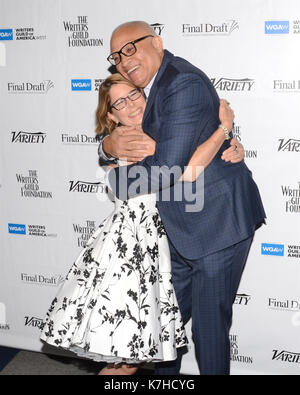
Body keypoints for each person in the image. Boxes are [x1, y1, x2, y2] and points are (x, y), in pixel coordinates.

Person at [40, 72, 239, 376]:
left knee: (132, 351)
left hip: (150, 245)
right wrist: (223, 129)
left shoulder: (153, 129)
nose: (131, 105)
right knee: (125, 358)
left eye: (134, 94)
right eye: (120, 102)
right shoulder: (133, 139)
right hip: (134, 252)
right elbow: (186, 172)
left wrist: (232, 144)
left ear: (146, 94)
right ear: (110, 114)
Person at [98, 21, 266, 375]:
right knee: (164, 326)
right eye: (116, 55)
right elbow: (146, 136)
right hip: (175, 229)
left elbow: (171, 167)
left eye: (131, 48)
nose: (124, 59)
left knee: (207, 331)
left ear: (157, 42)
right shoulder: (151, 88)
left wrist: (116, 180)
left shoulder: (181, 82)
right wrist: (107, 144)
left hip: (215, 224)